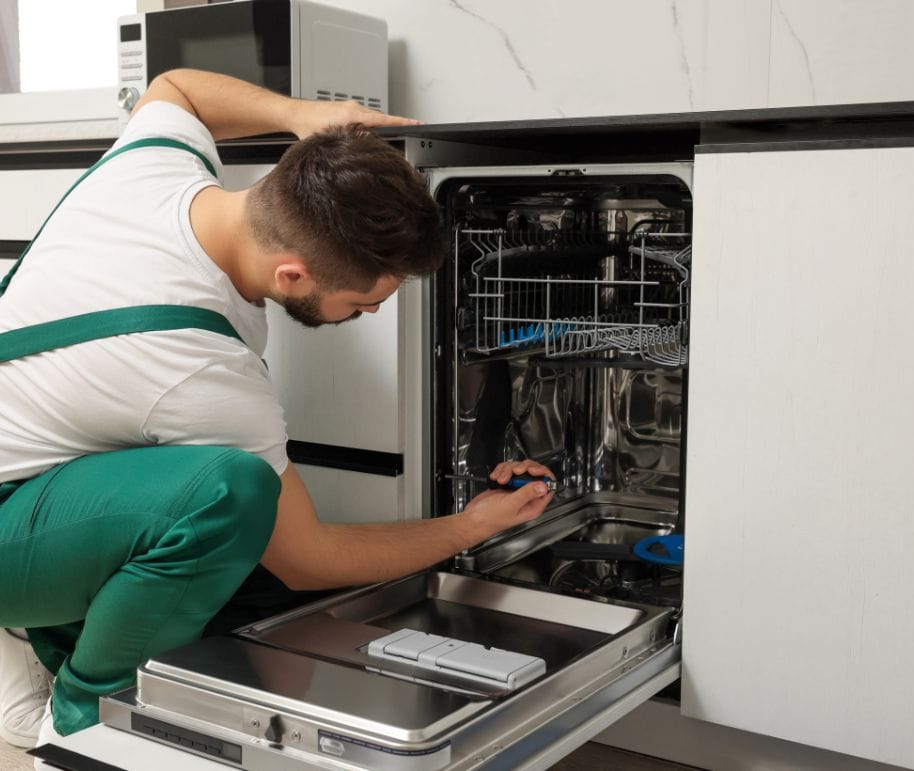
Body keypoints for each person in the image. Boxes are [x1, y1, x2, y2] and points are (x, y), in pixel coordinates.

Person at [0, 68, 555, 760]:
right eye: (361, 301)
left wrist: (301, 115)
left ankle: (38, 630)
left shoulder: (153, 166)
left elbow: (178, 88)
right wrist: (471, 525)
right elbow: (306, 558)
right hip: (9, 517)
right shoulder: (203, 372)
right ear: (292, 274)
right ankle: (82, 714)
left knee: (234, 565)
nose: (372, 313)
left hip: (30, 465)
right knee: (230, 497)